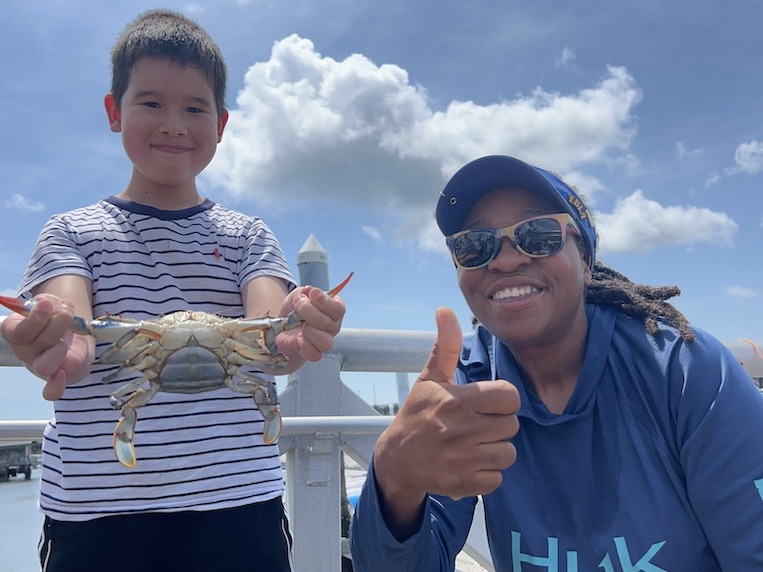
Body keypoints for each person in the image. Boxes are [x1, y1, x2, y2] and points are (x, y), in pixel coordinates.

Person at [0, 10, 346, 572]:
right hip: (97, 511)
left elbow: (269, 334)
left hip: (238, 503)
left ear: (221, 123)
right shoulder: (71, 232)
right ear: (114, 111)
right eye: (151, 103)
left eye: (194, 108)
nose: (174, 123)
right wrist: (55, 337)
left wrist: (295, 325)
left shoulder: (248, 237)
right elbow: (75, 325)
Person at [350, 155, 763, 570]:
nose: (506, 259)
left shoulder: (683, 372)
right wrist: (393, 478)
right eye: (474, 245)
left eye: (538, 235)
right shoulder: (464, 392)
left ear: (585, 261)